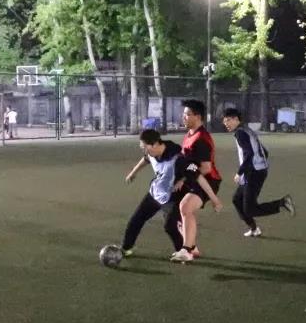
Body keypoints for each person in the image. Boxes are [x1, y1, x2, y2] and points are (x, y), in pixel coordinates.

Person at [122, 129, 222, 258]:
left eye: (145, 147)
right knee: (136, 220)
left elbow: (198, 177)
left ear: (154, 144)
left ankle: (186, 251)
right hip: (155, 193)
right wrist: (133, 173)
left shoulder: (179, 159)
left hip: (171, 197)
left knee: (170, 226)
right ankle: (126, 248)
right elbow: (145, 159)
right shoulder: (152, 153)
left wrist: (215, 200)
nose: (144, 151)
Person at [221, 108, 294, 237]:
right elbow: (264, 151)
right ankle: (254, 229)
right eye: (224, 121)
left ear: (236, 119)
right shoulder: (246, 130)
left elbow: (249, 154)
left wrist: (239, 172)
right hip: (255, 171)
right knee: (237, 200)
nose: (225, 123)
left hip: (254, 173)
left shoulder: (240, 133)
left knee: (250, 209)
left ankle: (282, 203)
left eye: (228, 120)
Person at [172, 99, 222, 263]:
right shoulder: (190, 134)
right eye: (184, 114)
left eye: (187, 114)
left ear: (198, 116)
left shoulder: (201, 139)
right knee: (174, 211)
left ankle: (187, 250)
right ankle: (192, 247)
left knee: (185, 207)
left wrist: (185, 178)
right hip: (192, 180)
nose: (183, 117)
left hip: (208, 180)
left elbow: (205, 168)